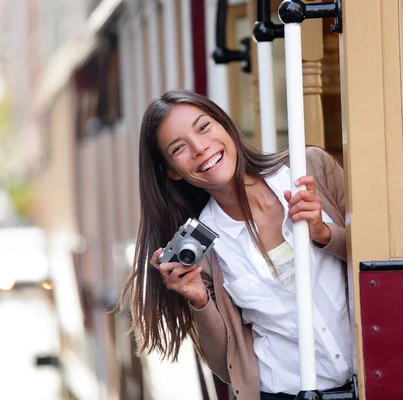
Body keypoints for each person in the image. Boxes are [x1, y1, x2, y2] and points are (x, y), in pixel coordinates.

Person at [120, 90, 354, 400]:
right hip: (284, 393)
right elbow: (226, 364)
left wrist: (325, 234)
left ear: (226, 125)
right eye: (179, 148)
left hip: (373, 378)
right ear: (172, 172)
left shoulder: (309, 170)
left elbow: (376, 251)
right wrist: (199, 301)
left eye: (203, 127)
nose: (201, 148)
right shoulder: (203, 249)